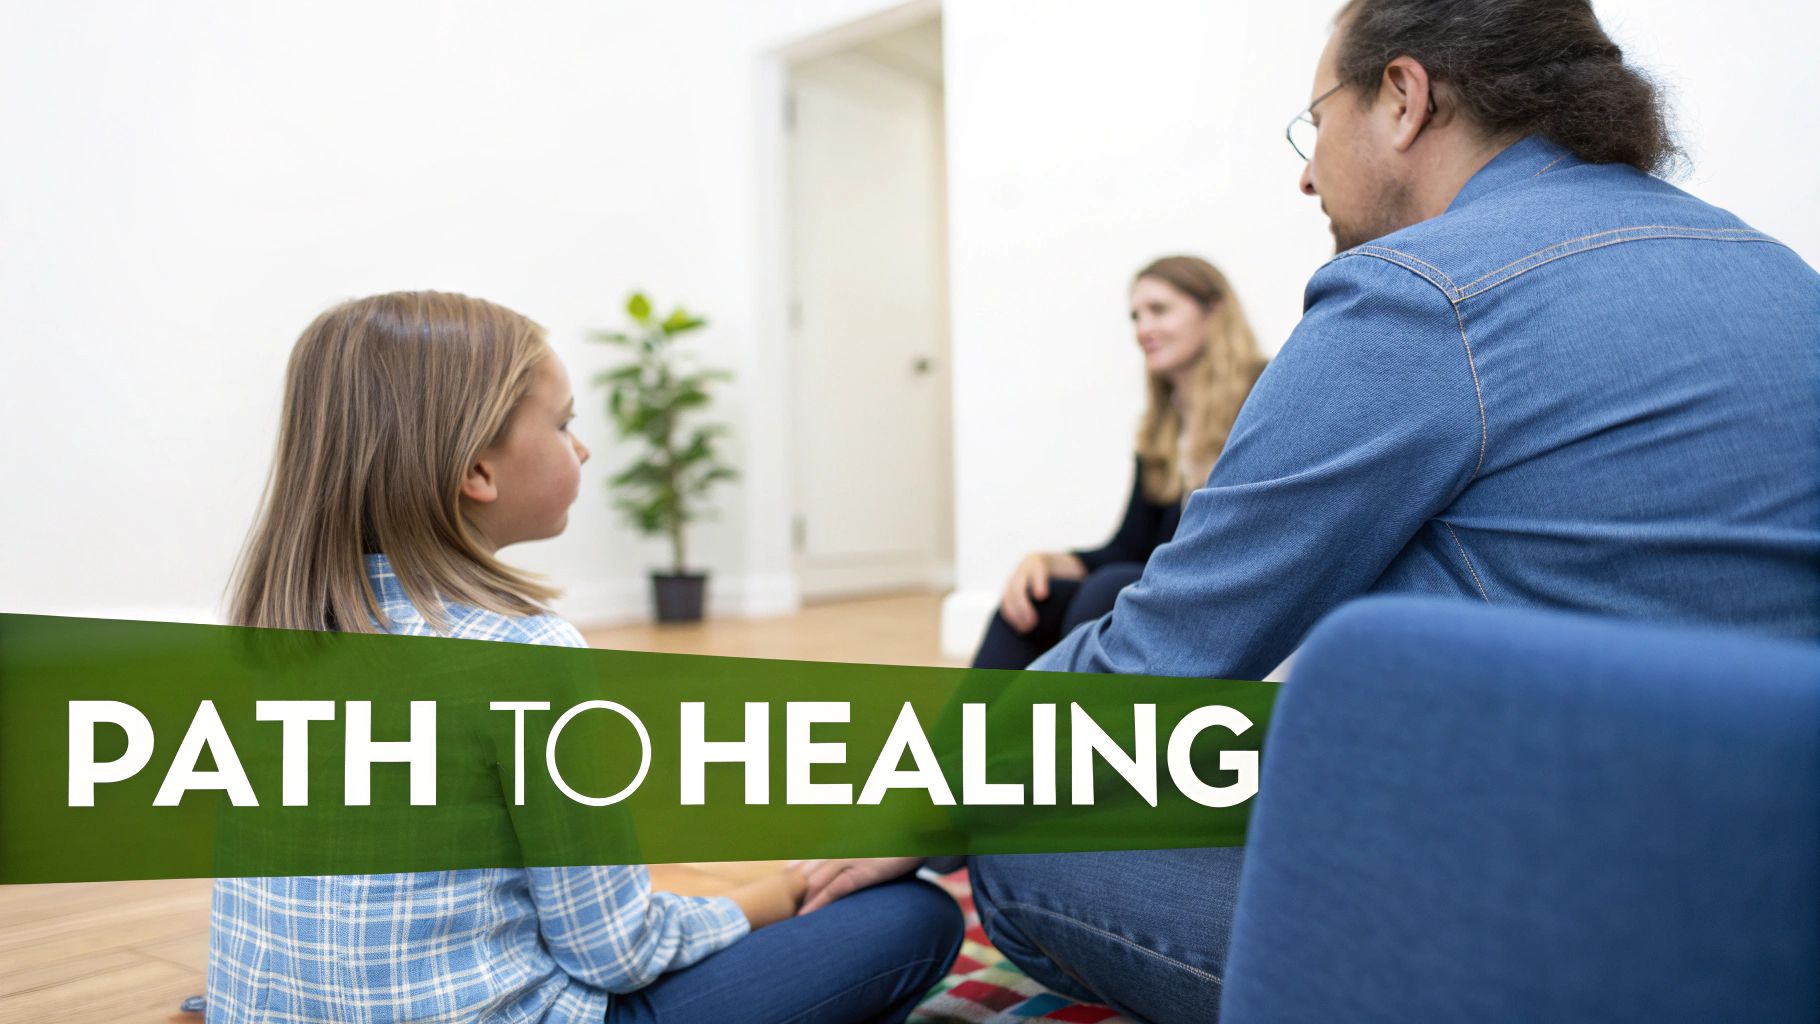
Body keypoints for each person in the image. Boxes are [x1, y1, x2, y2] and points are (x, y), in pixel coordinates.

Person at [798, 0, 1820, 1020]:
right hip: (1775, 889)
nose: (1304, 172)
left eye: (1314, 122)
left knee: (1022, 829)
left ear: (1404, 99)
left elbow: (1165, 652)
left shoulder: (1417, 293)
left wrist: (931, 790)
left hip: (1573, 932)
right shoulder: (1779, 273)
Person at [211, 291, 962, 1023]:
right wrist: (769, 897)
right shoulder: (523, 653)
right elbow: (614, 954)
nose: (584, 447)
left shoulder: (262, 639)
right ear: (478, 471)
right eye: (565, 423)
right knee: (915, 915)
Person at [972, 257, 1266, 669]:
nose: (1143, 330)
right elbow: (1130, 547)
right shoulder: (1164, 427)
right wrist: (1049, 562)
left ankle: (1071, 708)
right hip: (1167, 593)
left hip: (1233, 593)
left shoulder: (1267, 396)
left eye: (1159, 310)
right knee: (1036, 599)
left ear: (1214, 311)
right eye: (1136, 317)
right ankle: (972, 716)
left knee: (1109, 590)